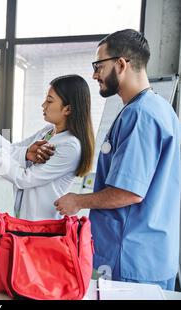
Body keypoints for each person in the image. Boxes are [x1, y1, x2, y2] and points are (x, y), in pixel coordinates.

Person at [55, 29, 180, 290]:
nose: (94, 74)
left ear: (121, 64)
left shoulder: (141, 115)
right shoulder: (160, 109)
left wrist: (77, 201)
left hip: (131, 257)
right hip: (153, 254)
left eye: (99, 66)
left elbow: (129, 191)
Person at [0, 75, 94, 220]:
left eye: (49, 100)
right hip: (25, 219)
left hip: (43, 225)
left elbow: (24, 178)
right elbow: (16, 150)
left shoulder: (70, 146)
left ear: (68, 109)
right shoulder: (48, 131)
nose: (43, 105)